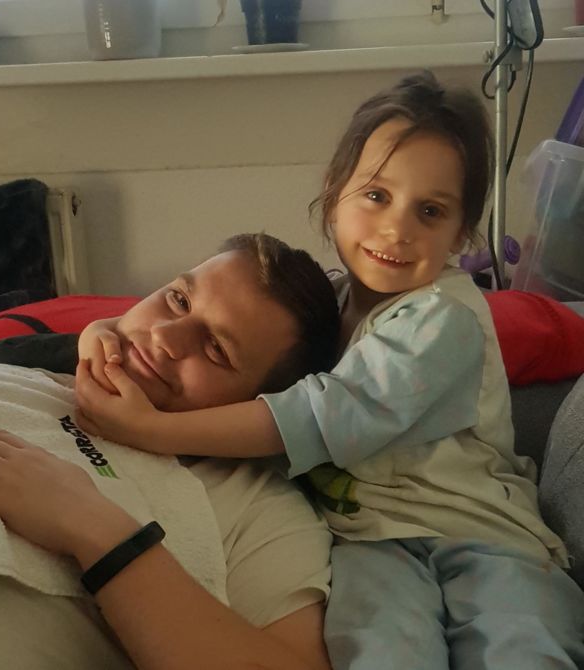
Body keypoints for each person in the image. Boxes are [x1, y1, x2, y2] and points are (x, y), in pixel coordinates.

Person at [69, 72, 584, 669]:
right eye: (377, 196)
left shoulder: (443, 317)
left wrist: (151, 430)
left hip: (483, 535)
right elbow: (185, 337)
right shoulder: (327, 304)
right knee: (379, 654)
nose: (397, 228)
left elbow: (322, 414)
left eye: (430, 210)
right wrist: (100, 331)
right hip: (369, 544)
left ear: (460, 233)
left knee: (522, 649)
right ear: (334, 193)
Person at [0, 233, 339, 670]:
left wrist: (92, 526)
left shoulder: (257, 505)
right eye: (178, 300)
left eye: (217, 349)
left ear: (256, 407)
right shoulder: (29, 373)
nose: (164, 335)